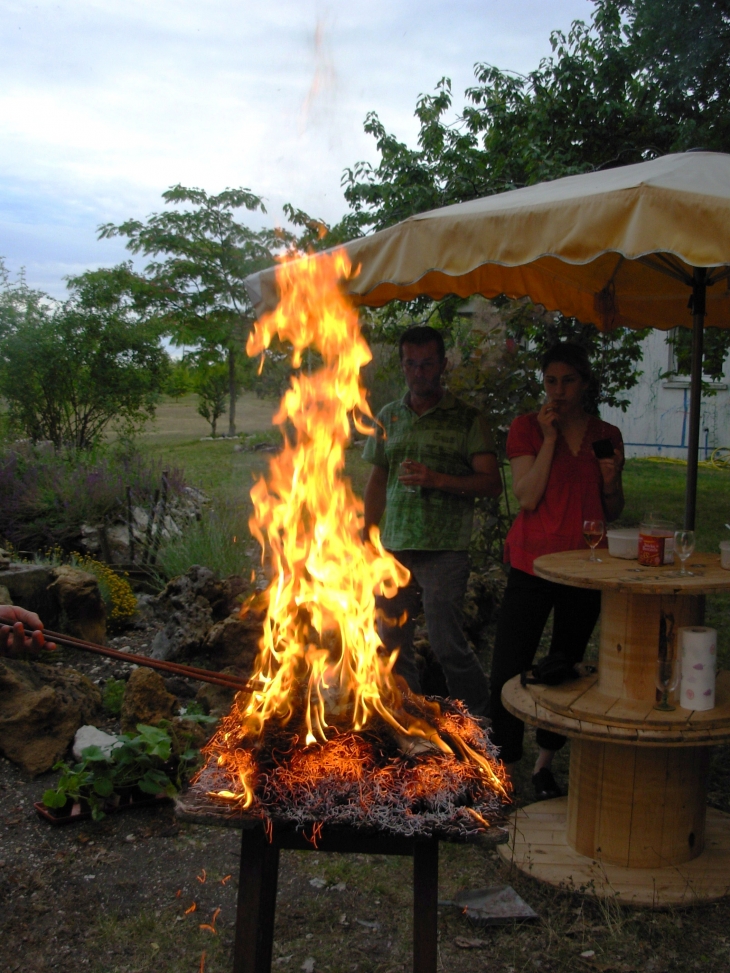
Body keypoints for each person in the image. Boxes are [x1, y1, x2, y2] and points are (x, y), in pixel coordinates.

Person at [489, 342, 624, 800]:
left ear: (584, 382)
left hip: (586, 566)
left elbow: (614, 509)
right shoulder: (527, 428)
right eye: (551, 381)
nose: (559, 390)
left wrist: (610, 480)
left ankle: (545, 765)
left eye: (568, 381)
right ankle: (503, 765)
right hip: (532, 560)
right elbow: (527, 497)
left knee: (566, 665)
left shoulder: (606, 433)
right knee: (509, 663)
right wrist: (549, 440)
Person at [362, 325, 502, 716]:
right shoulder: (389, 416)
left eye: (427, 364)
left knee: (446, 643)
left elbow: (492, 484)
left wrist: (437, 479)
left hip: (444, 549)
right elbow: (377, 480)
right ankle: (412, 717)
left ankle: (479, 722)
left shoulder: (466, 419)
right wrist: (366, 535)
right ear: (402, 366)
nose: (419, 372)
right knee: (391, 643)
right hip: (393, 548)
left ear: (443, 364)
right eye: (411, 364)